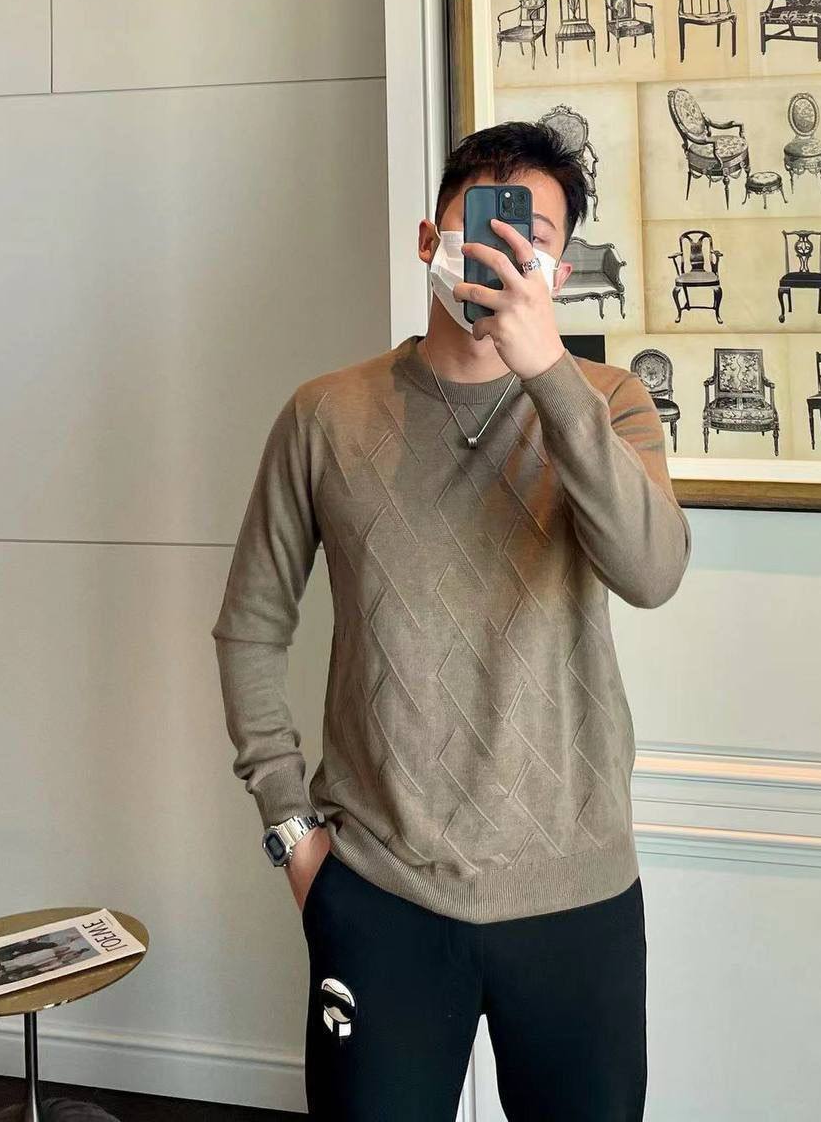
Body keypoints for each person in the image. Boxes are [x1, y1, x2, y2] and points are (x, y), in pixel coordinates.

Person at [212, 121, 692, 1120]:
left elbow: (652, 573)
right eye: (483, 227)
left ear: (559, 269)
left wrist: (549, 372)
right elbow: (250, 625)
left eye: (533, 238)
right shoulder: (325, 415)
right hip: (379, 893)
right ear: (429, 239)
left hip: (577, 896)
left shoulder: (610, 402)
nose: (505, 253)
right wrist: (291, 834)